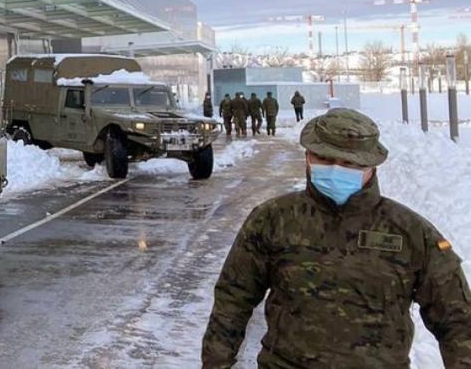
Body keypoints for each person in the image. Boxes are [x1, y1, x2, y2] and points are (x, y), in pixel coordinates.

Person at [202, 110, 471, 368]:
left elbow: (457, 321)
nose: (335, 169)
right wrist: (216, 363)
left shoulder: (410, 232)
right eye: (325, 159)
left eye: (349, 163)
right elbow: (233, 298)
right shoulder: (273, 219)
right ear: (308, 157)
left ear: (371, 165)